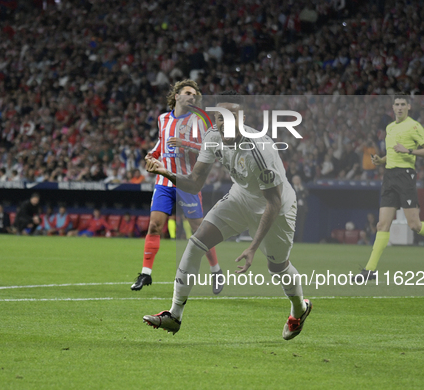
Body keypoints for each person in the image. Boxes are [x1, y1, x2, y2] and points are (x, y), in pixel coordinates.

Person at [142, 91, 312, 340]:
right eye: (219, 117)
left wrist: (253, 247)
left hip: (277, 207)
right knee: (196, 243)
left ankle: (299, 309)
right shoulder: (213, 137)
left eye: (230, 116)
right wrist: (164, 172)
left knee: (277, 267)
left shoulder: (259, 148)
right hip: (241, 197)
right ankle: (174, 315)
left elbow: (273, 202)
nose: (223, 122)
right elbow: (195, 183)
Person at [131, 79, 222, 294]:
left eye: (195, 94)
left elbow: (208, 148)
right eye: (188, 93)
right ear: (177, 96)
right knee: (154, 225)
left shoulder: (197, 121)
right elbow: (161, 143)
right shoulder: (163, 119)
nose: (192, 97)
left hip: (187, 182)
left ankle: (216, 271)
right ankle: (145, 273)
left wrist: (185, 144)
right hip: (164, 181)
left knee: (199, 231)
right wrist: (152, 155)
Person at [357, 93, 424, 281]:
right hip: (389, 176)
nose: (400, 107)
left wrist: (409, 150)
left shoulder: (414, 126)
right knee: (382, 224)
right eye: (397, 104)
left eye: (403, 104)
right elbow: (393, 153)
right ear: (393, 107)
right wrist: (382, 160)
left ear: (409, 107)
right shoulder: (389, 128)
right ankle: (370, 270)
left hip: (405, 177)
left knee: (415, 225)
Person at [291, 175, 308, 242]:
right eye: (295, 179)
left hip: (302, 209)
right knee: (293, 226)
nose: (297, 181)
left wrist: (301, 188)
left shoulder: (302, 187)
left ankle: (299, 241)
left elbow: (306, 194)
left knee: (301, 226)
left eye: (298, 179)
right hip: (294, 209)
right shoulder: (291, 188)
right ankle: (292, 240)